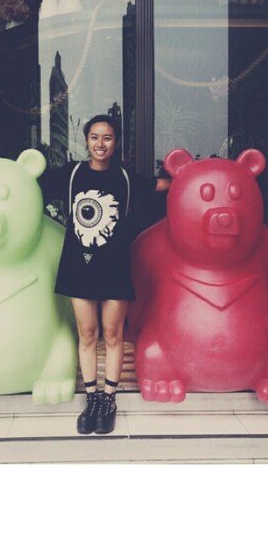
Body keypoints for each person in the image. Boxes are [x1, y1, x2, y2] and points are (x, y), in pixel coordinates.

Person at [39, 114, 170, 434]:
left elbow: (159, 186)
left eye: (107, 138)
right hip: (78, 267)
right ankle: (92, 398)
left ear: (116, 142)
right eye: (95, 137)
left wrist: (191, 176)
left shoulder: (124, 178)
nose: (100, 143)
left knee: (112, 335)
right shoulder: (71, 174)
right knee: (87, 334)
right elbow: (32, 183)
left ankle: (109, 398)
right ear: (86, 141)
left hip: (114, 266)